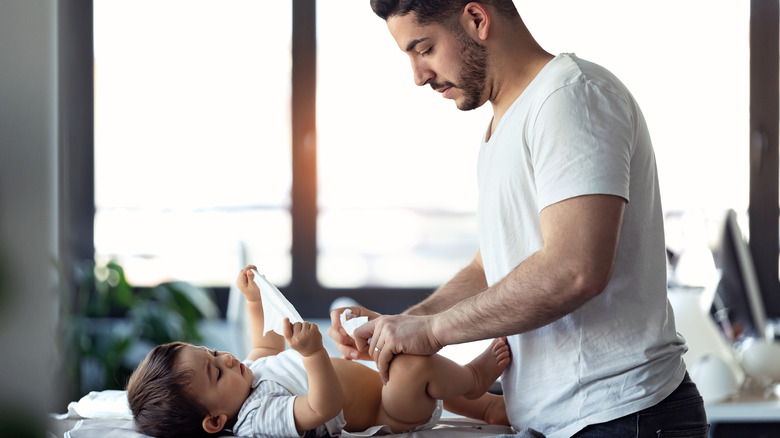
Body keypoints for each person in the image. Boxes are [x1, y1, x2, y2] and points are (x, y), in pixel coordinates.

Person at [327, 1, 709, 437]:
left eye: (425, 49)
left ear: (476, 19)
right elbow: (488, 268)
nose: (418, 76)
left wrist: (432, 331)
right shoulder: (502, 127)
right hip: (569, 420)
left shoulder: (571, 96)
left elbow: (574, 269)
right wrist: (398, 328)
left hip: (623, 415)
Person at [126, 265, 510, 438]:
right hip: (391, 411)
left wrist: (254, 300)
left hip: (383, 384)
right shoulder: (257, 418)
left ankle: (489, 408)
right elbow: (321, 408)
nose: (226, 359)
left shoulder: (247, 376)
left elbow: (265, 344)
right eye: (216, 372)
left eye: (212, 353)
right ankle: (474, 378)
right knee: (410, 365)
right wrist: (312, 355)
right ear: (214, 421)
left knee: (395, 352)